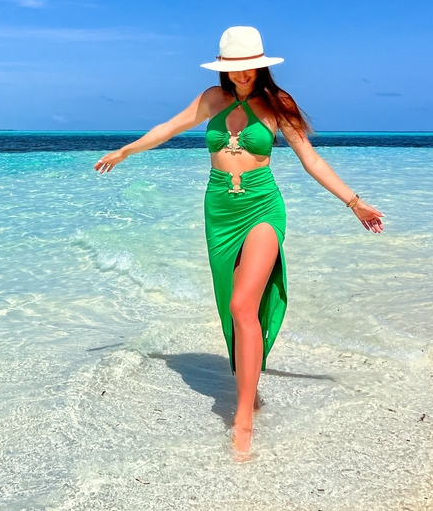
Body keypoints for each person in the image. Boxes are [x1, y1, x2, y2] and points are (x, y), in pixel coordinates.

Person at [94, 25, 384, 457]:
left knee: (242, 304)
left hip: (263, 206)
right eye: (234, 68)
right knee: (231, 303)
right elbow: (169, 128)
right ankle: (248, 386)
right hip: (219, 210)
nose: (241, 75)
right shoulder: (213, 98)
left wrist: (354, 202)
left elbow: (312, 159)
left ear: (260, 65)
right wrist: (126, 151)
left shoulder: (278, 104)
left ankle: (243, 416)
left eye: (248, 68)